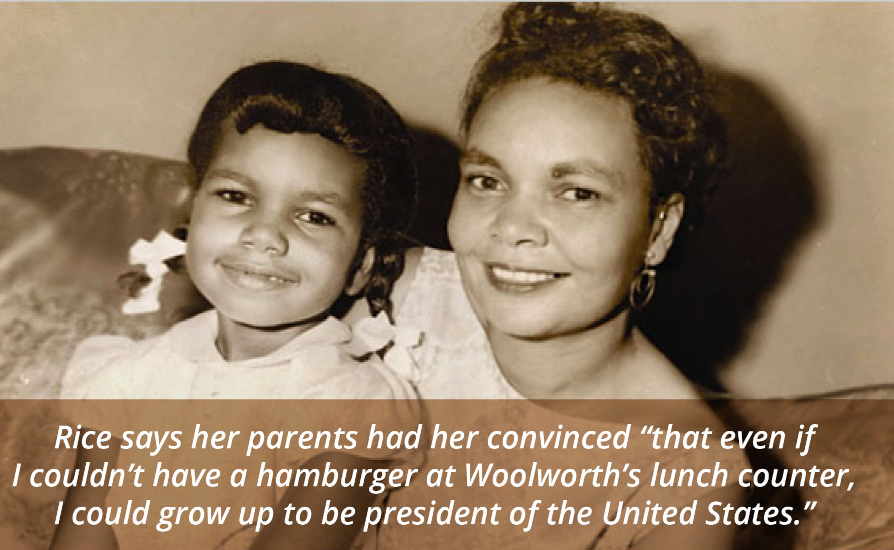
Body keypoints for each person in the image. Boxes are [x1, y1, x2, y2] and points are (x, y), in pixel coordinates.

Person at [372, 3, 746, 549]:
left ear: (658, 230)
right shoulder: (396, 297)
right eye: (487, 181)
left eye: (578, 193)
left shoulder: (688, 479)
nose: (514, 228)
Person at [52, 61, 420, 550]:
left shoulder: (349, 404)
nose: (264, 235)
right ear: (193, 215)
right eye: (236, 195)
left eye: (314, 216)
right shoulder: (126, 377)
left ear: (360, 267)